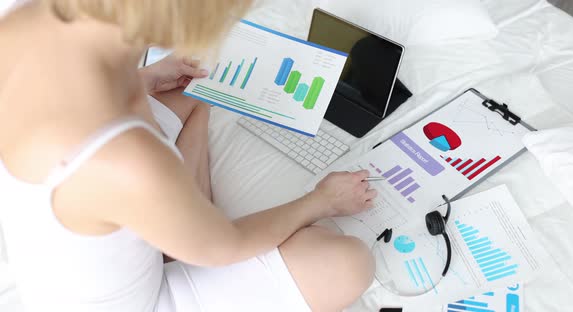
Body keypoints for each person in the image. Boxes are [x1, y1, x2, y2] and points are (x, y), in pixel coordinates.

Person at [0, 1, 377, 311]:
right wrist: (320, 201)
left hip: (83, 245)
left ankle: (180, 224)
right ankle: (182, 229)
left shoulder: (25, 18)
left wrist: (143, 78)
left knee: (200, 90)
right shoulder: (124, 160)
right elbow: (225, 246)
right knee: (349, 263)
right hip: (140, 299)